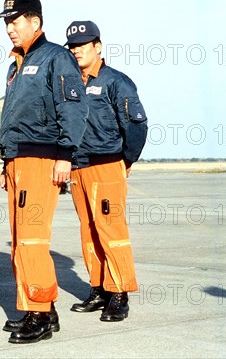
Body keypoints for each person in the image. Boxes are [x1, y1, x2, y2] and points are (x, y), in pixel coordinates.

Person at [0, 0, 88, 344]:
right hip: (19, 160)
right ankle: (41, 309)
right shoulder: (17, 64)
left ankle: (40, 313)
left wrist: (66, 154)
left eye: (14, 22)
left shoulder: (56, 58)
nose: (9, 29)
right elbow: (13, 117)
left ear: (34, 22)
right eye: (6, 23)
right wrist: (6, 160)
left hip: (42, 159)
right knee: (20, 239)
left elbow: (72, 108)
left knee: (32, 237)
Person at [64, 21, 148, 322]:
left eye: (82, 46)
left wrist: (126, 160)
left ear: (97, 47)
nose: (76, 51)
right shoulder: (70, 83)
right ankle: (99, 287)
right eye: (72, 47)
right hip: (78, 167)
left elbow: (136, 124)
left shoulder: (116, 82)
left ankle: (119, 292)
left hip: (106, 165)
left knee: (111, 230)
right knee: (88, 231)